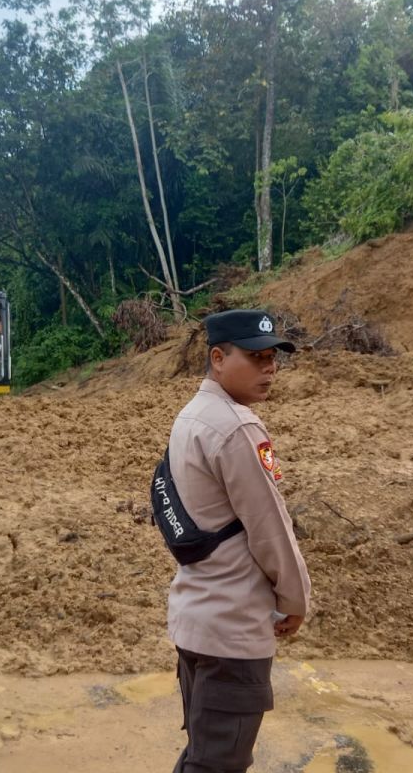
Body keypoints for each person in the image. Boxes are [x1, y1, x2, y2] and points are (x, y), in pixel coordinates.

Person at [167, 309, 311, 773]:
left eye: (272, 357)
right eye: (255, 357)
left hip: (196, 617)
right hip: (232, 629)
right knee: (217, 766)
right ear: (218, 358)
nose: (269, 368)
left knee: (202, 758)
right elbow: (270, 527)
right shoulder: (237, 427)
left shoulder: (190, 417)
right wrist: (296, 599)